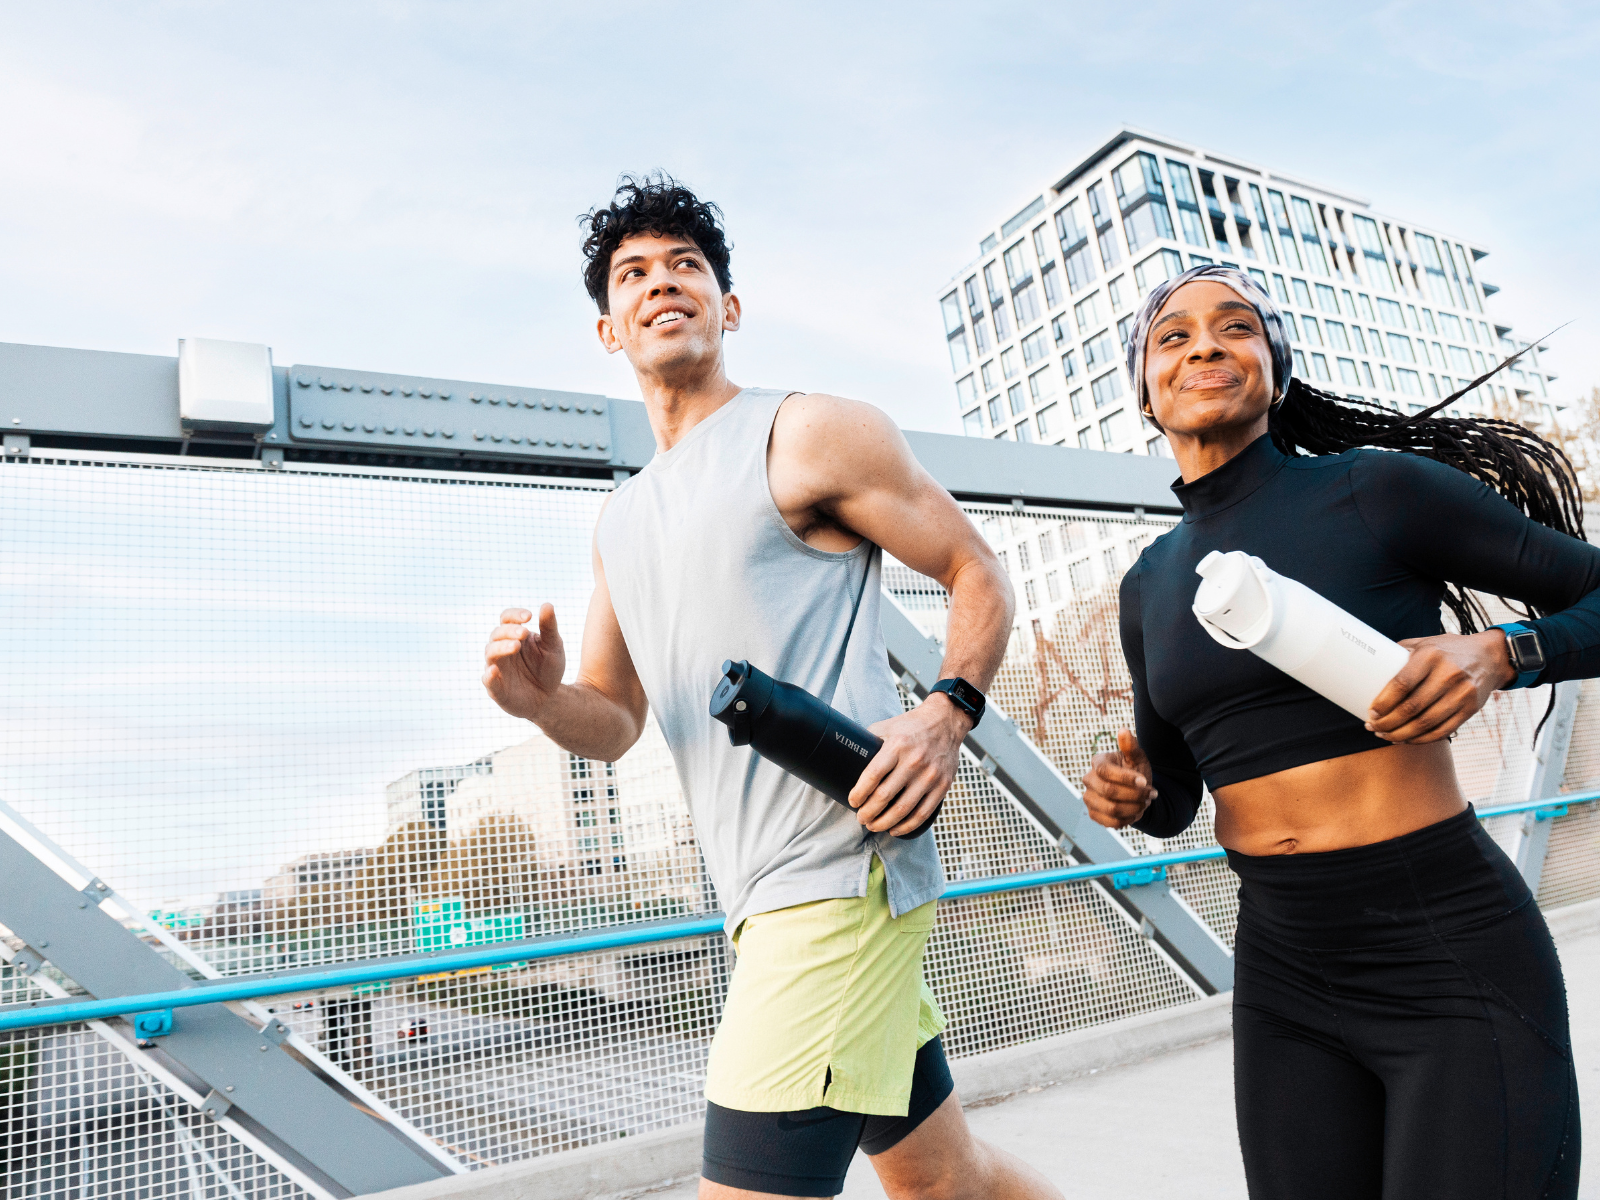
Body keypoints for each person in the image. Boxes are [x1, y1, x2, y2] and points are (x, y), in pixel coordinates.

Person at [483, 175, 1061, 1200]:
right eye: (634, 275)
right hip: (757, 898)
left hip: (838, 880)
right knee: (945, 1181)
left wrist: (944, 713)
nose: (662, 284)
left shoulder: (805, 433)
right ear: (607, 329)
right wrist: (537, 703)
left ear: (727, 307)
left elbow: (976, 568)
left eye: (686, 267)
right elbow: (612, 723)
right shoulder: (622, 522)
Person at [1081, 264, 1593, 1199]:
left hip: (1447, 948)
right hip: (1283, 973)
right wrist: (1137, 794)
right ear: (1146, 394)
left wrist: (1507, 652)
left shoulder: (1377, 491)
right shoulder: (1148, 584)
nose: (1205, 344)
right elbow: (1178, 793)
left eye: (1235, 328)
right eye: (1174, 336)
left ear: (1277, 368)